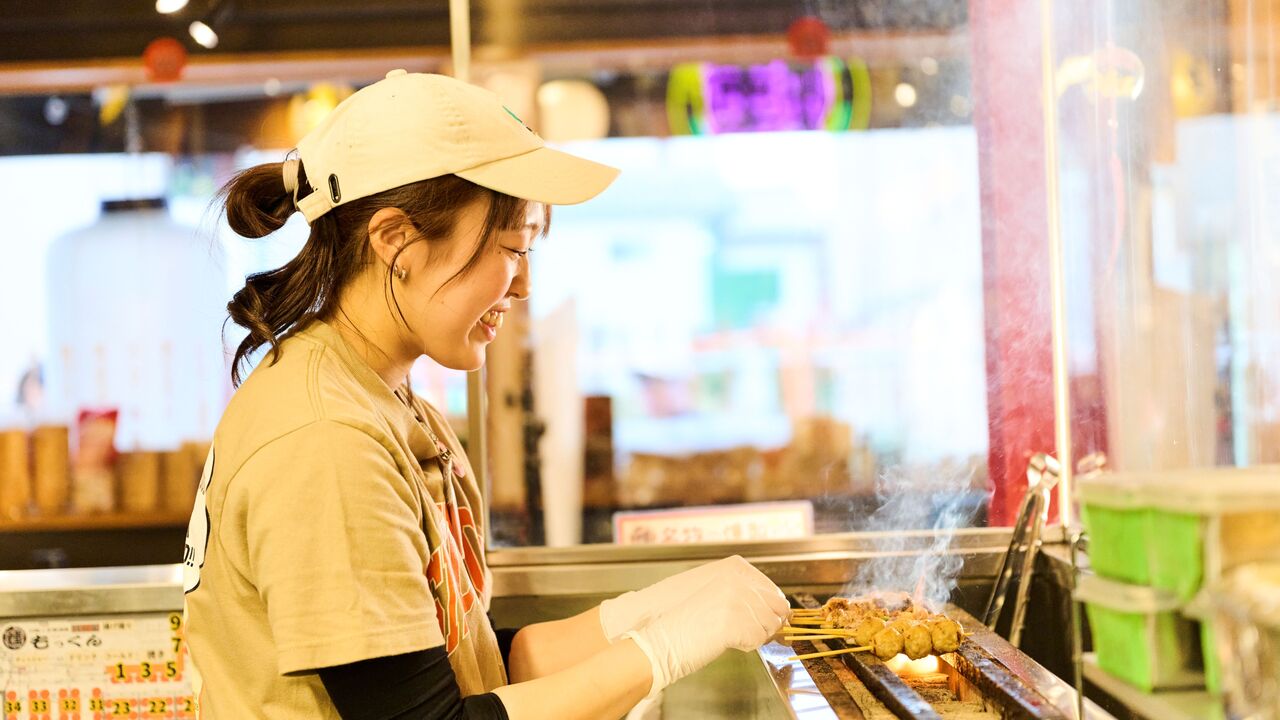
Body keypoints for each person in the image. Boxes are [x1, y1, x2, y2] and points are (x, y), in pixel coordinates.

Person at [181, 69, 789, 720]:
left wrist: (641, 617)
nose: (524, 285)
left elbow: (457, 667)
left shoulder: (390, 406)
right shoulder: (326, 437)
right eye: (510, 247)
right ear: (396, 241)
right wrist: (658, 650)